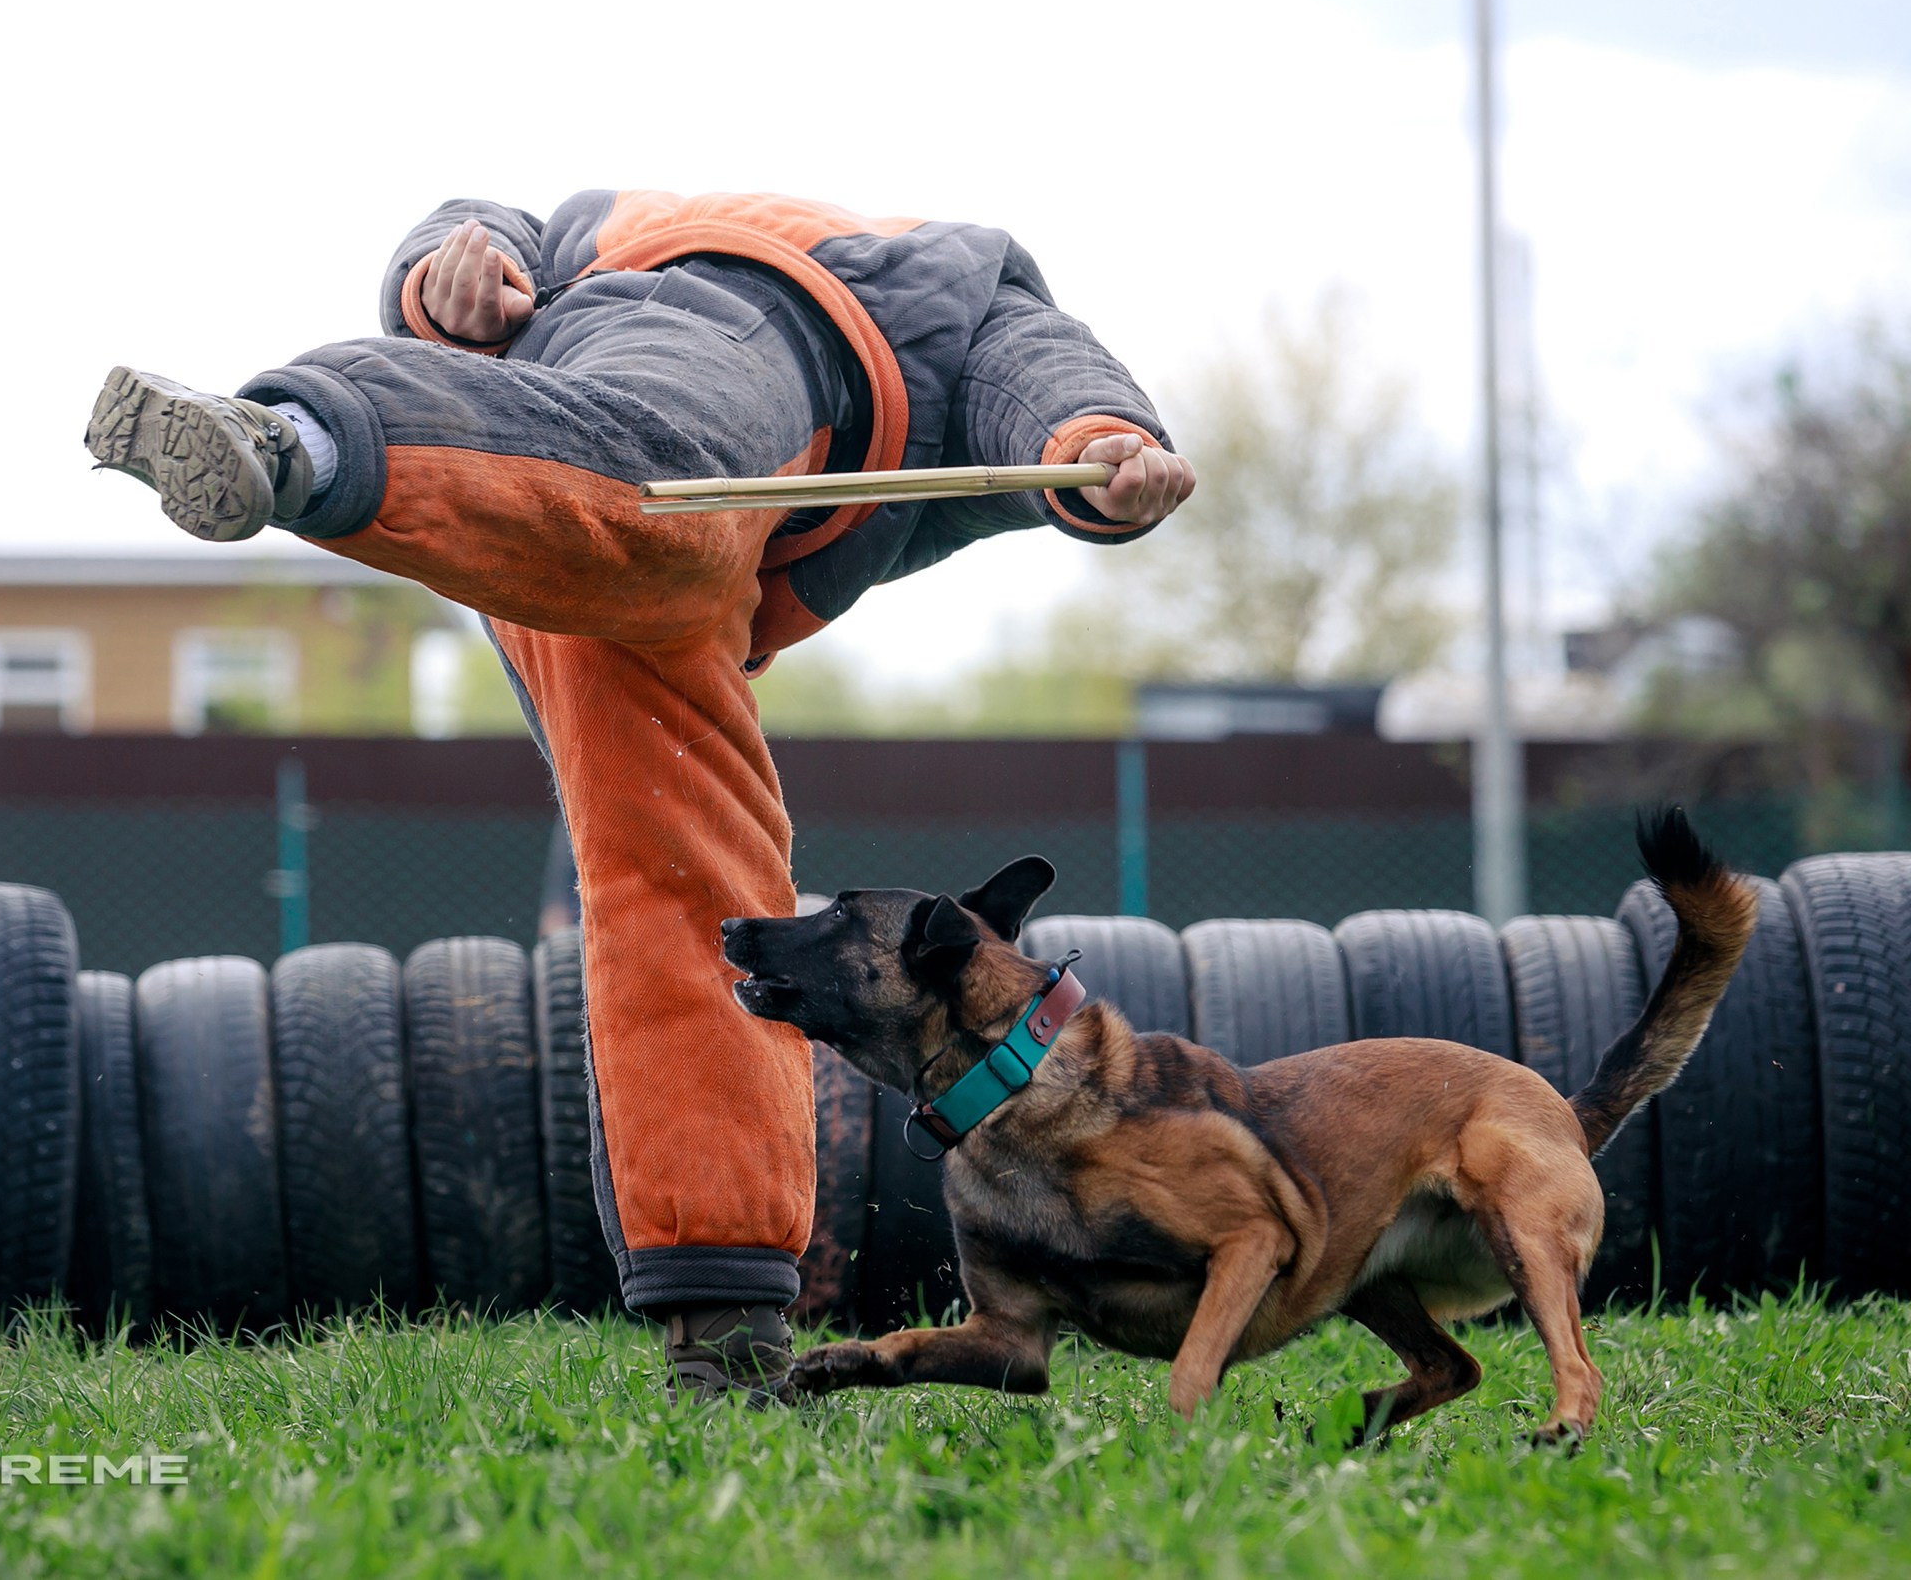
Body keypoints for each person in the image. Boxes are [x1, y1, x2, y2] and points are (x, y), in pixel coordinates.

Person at [87, 190, 1195, 1403]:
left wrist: (1103, 444)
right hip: (729, 358)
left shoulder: (951, 314)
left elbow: (1055, 384)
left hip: (608, 550)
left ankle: (725, 1331)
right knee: (669, 487)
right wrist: (456, 279)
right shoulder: (932, 273)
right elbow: (1036, 355)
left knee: (702, 905)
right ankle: (305, 439)